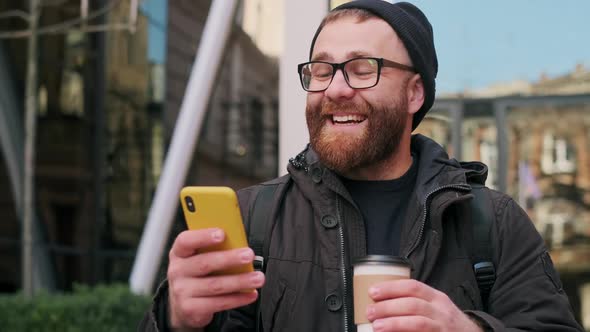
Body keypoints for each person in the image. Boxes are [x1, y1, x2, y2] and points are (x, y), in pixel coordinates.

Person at [139, 1, 583, 331]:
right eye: (321, 69)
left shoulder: (493, 222)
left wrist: (470, 329)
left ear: (414, 94)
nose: (335, 89)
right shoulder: (253, 220)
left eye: (361, 68)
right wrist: (175, 318)